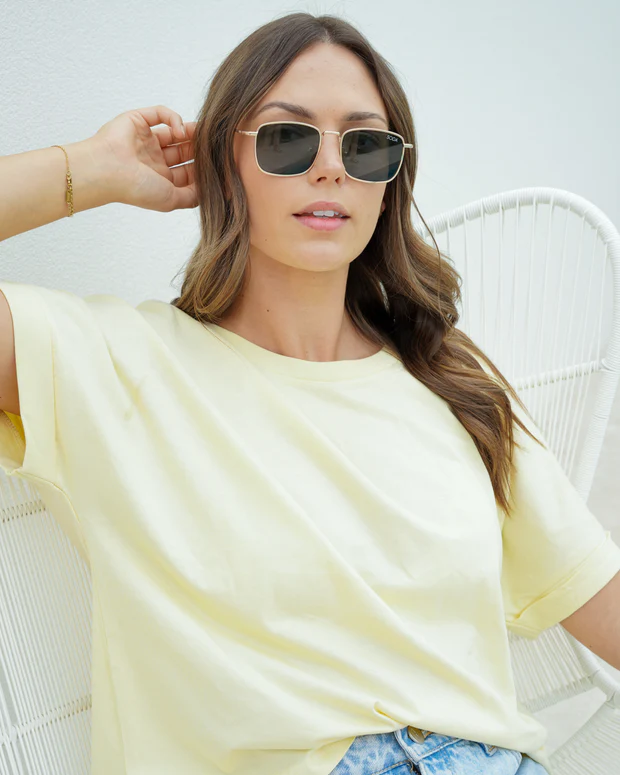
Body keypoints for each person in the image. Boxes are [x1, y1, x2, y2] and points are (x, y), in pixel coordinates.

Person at [0, 12, 618, 775]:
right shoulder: (112, 362)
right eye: (287, 139)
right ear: (225, 163)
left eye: (365, 145)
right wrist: (91, 170)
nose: (330, 168)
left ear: (389, 183)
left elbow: (600, 599)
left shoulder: (453, 381)